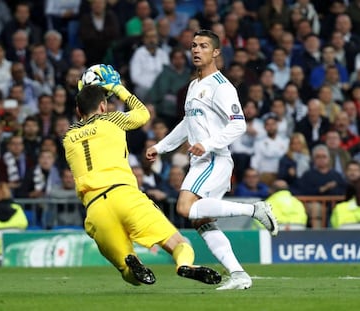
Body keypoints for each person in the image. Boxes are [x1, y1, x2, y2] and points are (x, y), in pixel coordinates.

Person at [64, 64, 221, 286]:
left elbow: (86, 120)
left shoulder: (68, 137)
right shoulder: (112, 120)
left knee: (129, 273)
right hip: (124, 195)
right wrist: (119, 88)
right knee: (179, 243)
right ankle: (184, 265)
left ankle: (132, 262)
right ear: (103, 105)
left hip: (95, 208)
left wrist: (86, 92)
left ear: (78, 111)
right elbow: (143, 114)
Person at [146, 30, 278, 291]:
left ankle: (255, 210)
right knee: (200, 221)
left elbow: (238, 126)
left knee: (185, 208)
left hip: (214, 159)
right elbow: (187, 123)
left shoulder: (222, 87)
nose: (196, 50)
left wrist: (207, 144)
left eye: (203, 46)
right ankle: (239, 274)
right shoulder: (194, 85)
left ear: (216, 52)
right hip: (201, 162)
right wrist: (161, 146)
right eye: (193, 45)